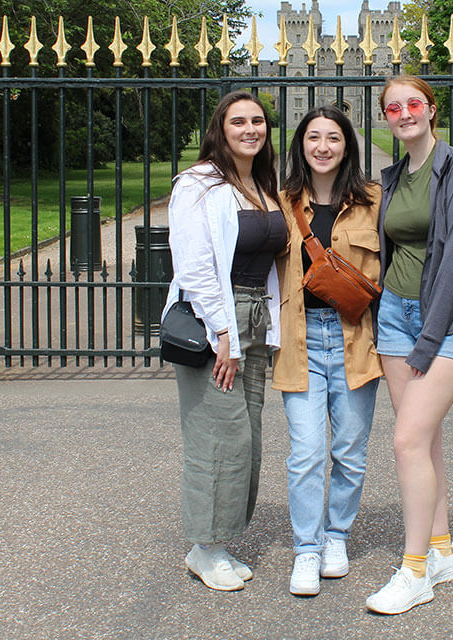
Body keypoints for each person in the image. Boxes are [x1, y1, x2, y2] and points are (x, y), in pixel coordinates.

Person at [364, 76, 453, 615]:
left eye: (413, 103)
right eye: (393, 107)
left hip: (446, 323)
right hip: (396, 317)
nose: (404, 113)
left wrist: (428, 339)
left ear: (431, 110)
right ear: (385, 117)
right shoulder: (394, 175)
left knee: (405, 440)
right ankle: (442, 550)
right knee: (424, 440)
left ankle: (414, 569)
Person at [163, 90, 285, 592]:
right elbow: (193, 266)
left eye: (258, 121)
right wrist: (223, 336)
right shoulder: (197, 184)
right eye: (239, 122)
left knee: (247, 437)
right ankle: (203, 546)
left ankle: (220, 539)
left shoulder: (258, 183)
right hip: (218, 319)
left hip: (254, 316)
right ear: (221, 129)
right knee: (218, 436)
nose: (250, 129)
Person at [273, 106, 383, 597]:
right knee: (306, 453)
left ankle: (336, 536)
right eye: (313, 137)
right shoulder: (280, 203)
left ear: (347, 145)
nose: (323, 146)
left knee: (350, 452)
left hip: (355, 340)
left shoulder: (373, 201)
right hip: (300, 341)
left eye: (333, 138)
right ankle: (306, 549)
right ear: (300, 144)